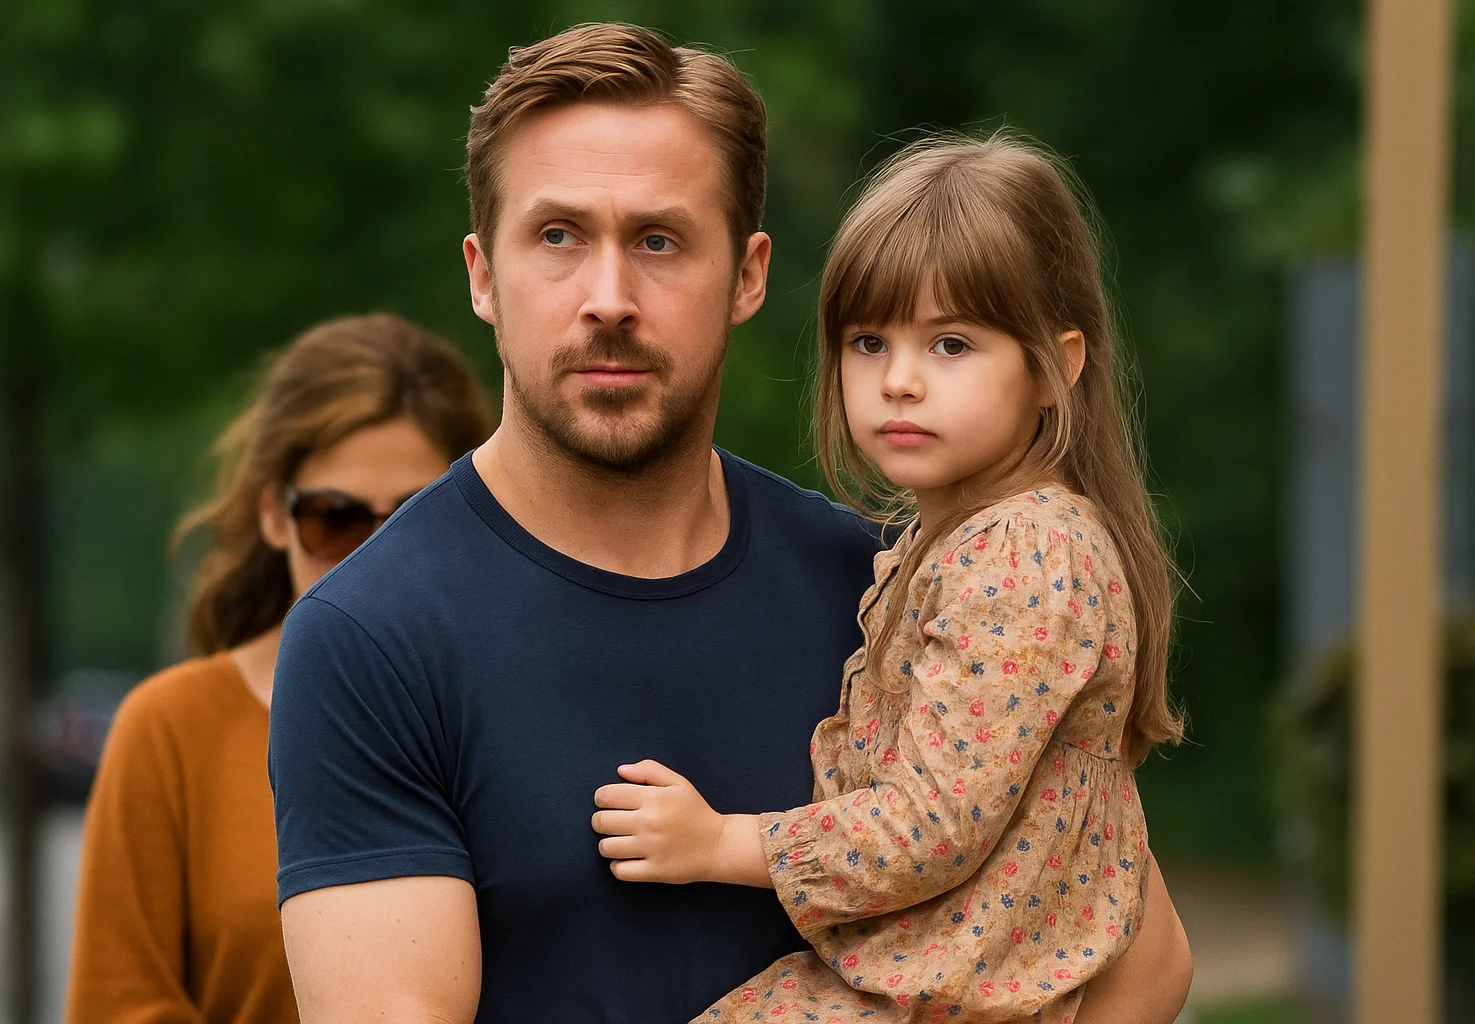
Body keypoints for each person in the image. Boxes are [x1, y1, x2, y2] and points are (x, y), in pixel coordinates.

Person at [270, 23, 1192, 1024]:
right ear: (483, 274)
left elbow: (1135, 963)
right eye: (558, 237)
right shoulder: (373, 637)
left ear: (748, 274)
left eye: (658, 240)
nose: (608, 300)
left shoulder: (887, 588)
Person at [592, 134, 1182, 1023]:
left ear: (1058, 365)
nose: (899, 381)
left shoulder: (1023, 555)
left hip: (956, 994)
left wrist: (722, 843)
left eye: (951, 344)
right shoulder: (955, 540)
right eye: (870, 342)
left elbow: (933, 823)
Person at [64, 314, 494, 1024]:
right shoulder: (170, 732)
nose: (373, 560)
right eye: (335, 518)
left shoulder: (516, 710)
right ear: (273, 513)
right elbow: (117, 1006)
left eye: (413, 519)